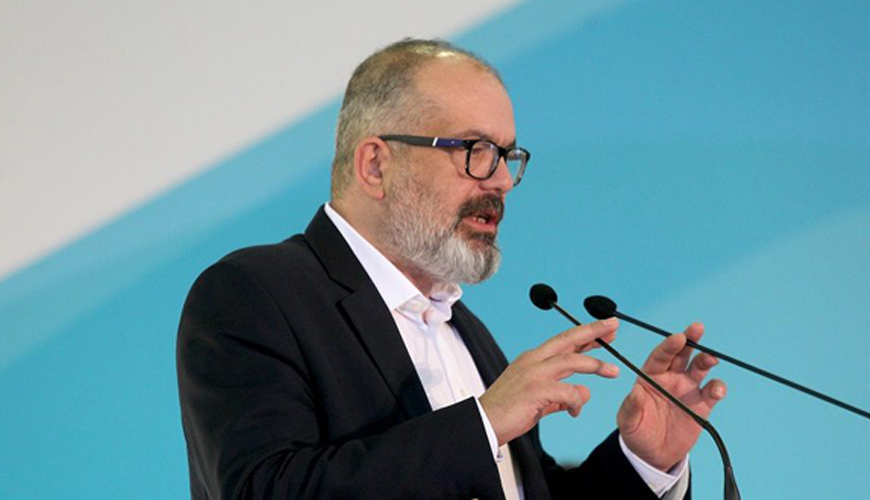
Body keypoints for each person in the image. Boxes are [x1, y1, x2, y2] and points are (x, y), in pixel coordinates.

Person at [177, 38, 727, 499]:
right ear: (376, 165)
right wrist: (485, 423)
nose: (502, 181)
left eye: (507, 156)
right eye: (475, 151)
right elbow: (263, 488)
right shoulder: (255, 295)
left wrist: (642, 460)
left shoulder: (467, 333)